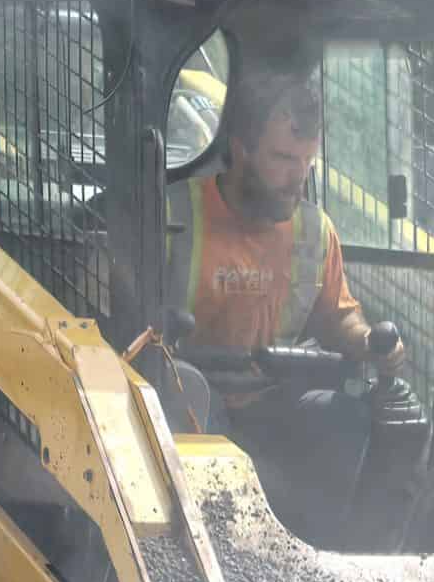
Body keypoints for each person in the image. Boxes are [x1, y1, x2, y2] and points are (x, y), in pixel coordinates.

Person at [164, 65, 403, 373]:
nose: (299, 177)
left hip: (278, 398)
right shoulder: (170, 216)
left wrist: (368, 341)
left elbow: (339, 316)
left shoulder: (314, 233)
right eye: (284, 158)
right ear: (240, 151)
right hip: (184, 397)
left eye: (308, 161)